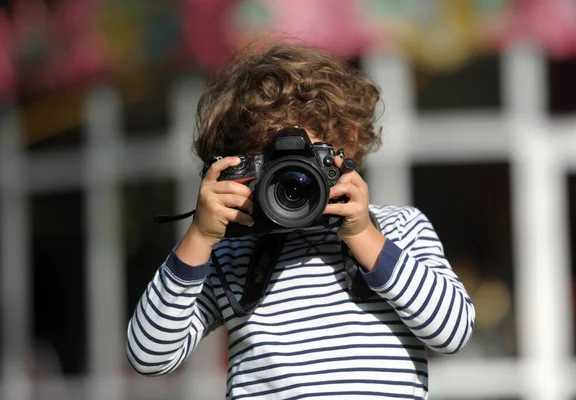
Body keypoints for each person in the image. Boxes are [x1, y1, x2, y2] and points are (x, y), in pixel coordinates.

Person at [126, 41, 475, 400]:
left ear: (347, 145)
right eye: (270, 165)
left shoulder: (400, 227)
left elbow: (453, 331)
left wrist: (365, 236)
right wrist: (199, 237)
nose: (290, 180)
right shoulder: (233, 251)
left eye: (308, 160)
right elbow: (149, 355)